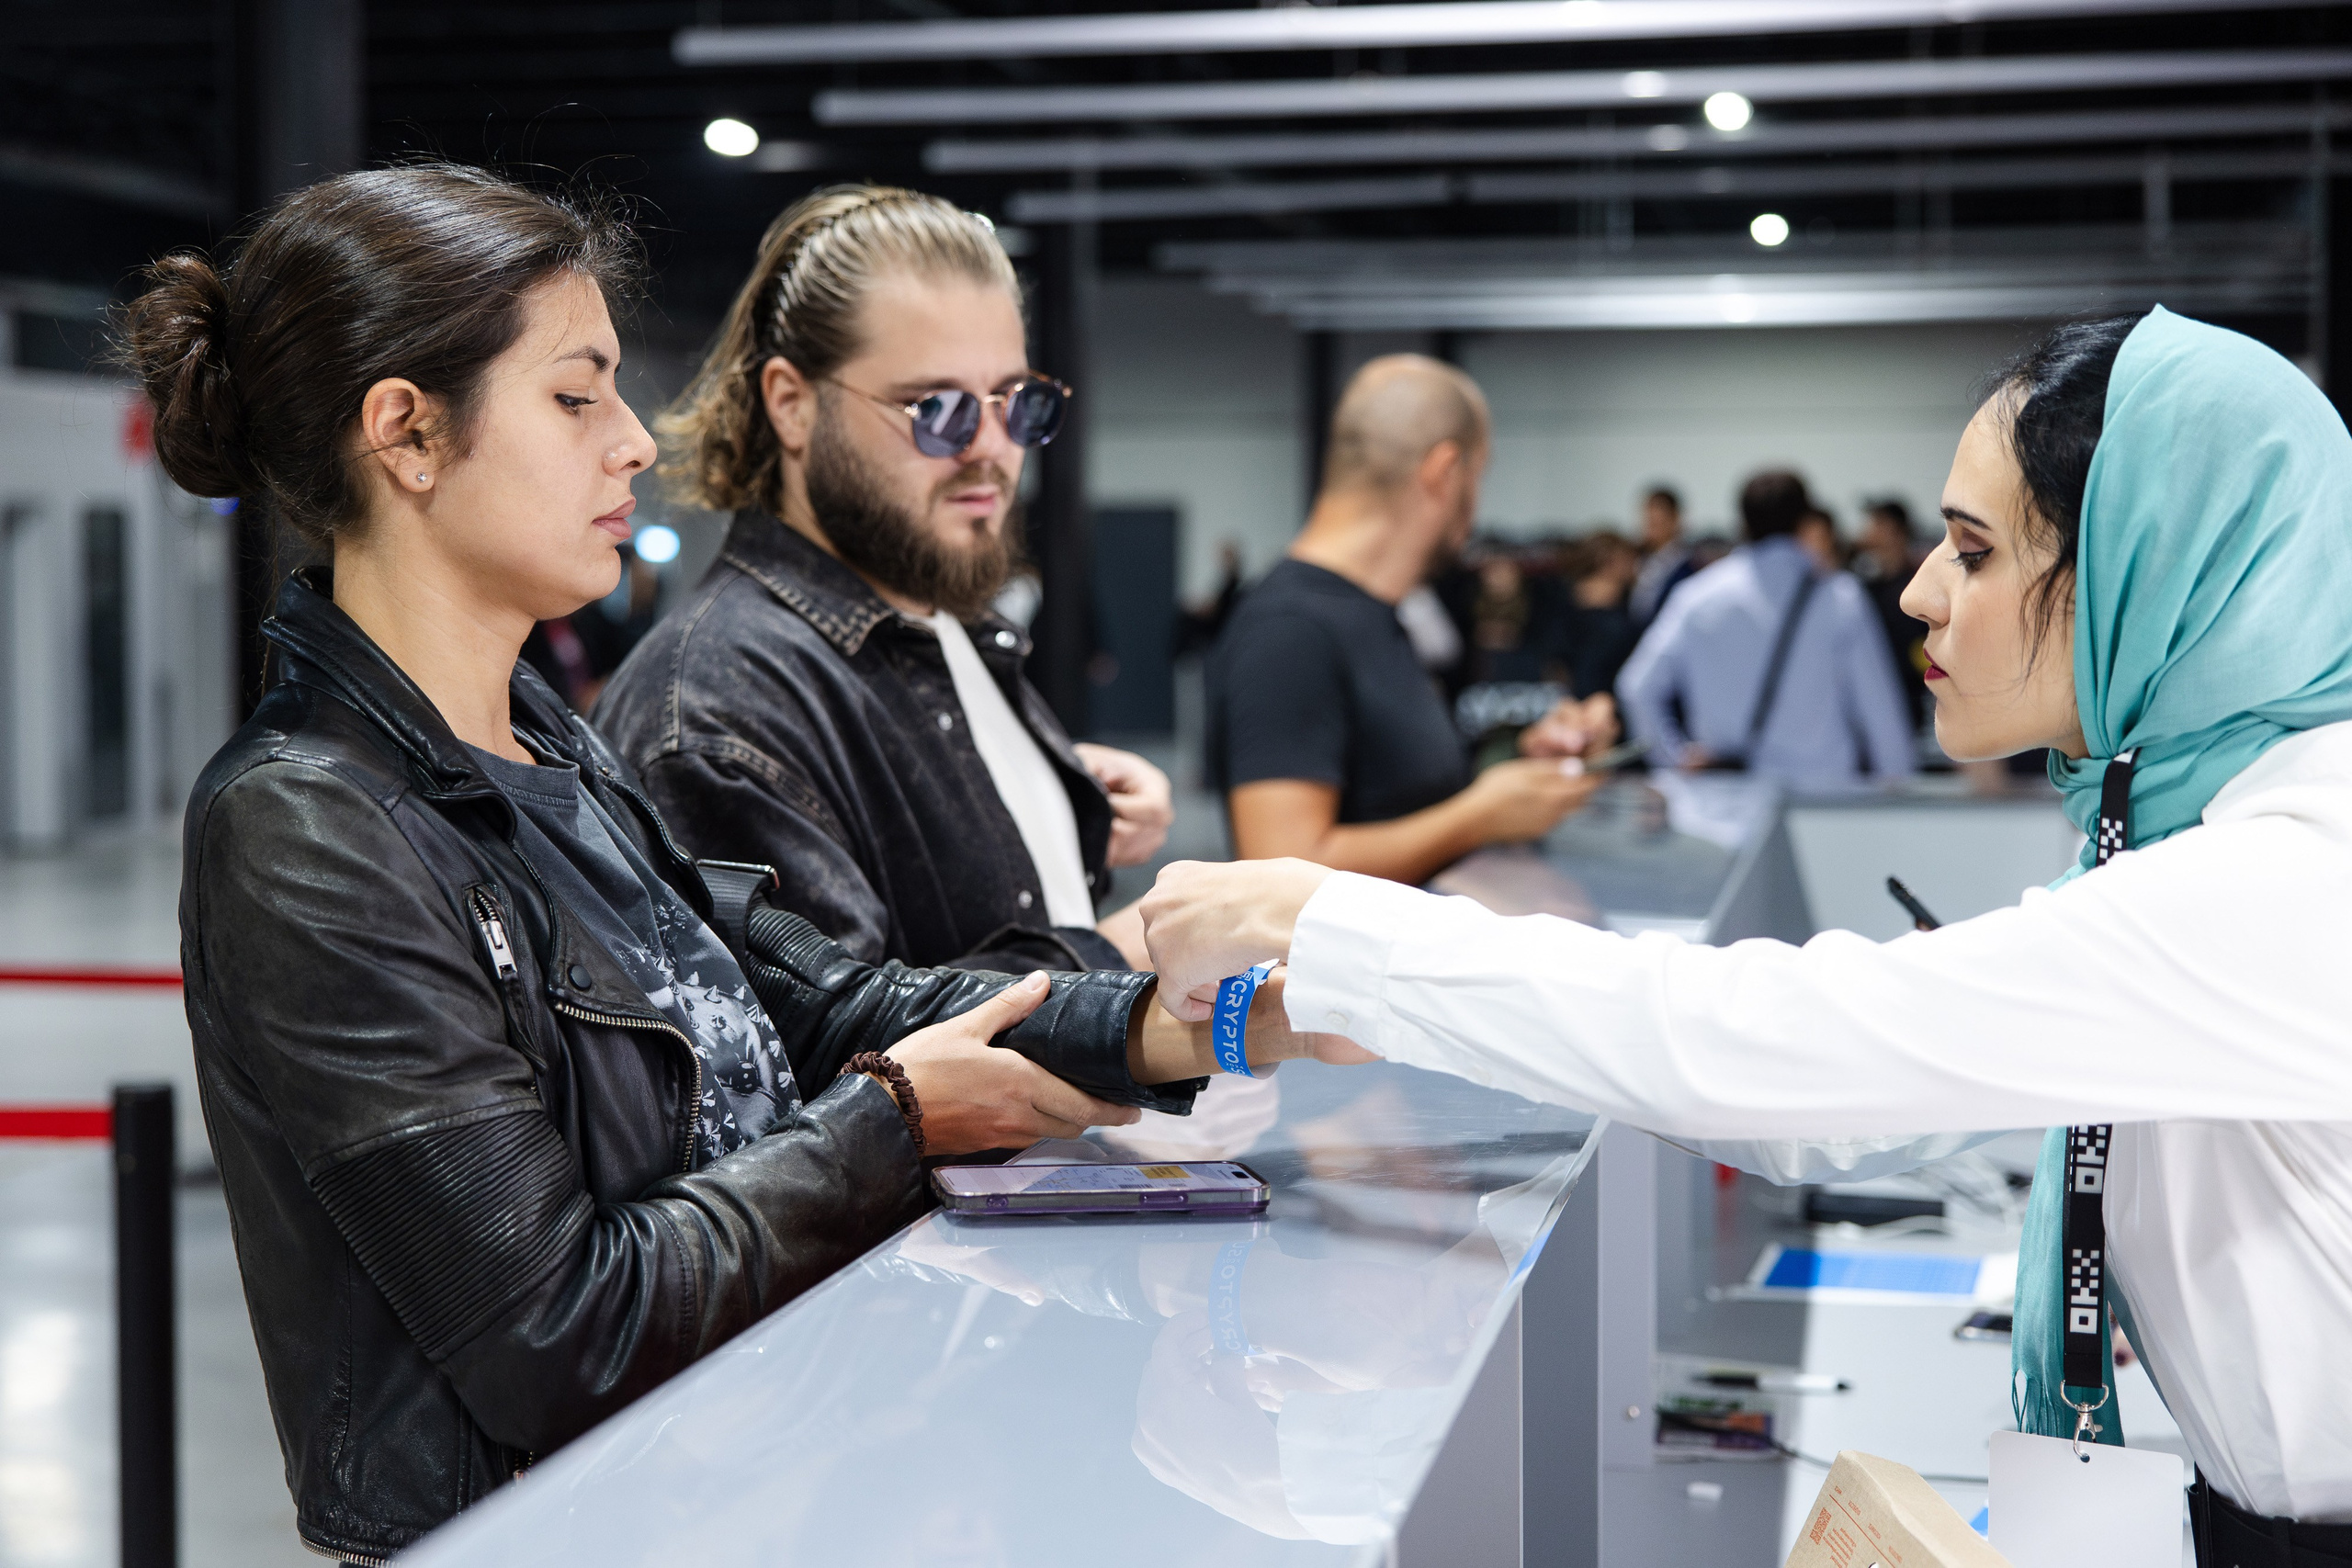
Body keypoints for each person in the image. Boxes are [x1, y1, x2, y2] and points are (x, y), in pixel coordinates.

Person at [131, 165, 1322, 1562]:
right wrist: (892, 1119)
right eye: (577, 397)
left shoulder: (548, 747)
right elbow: (558, 1329)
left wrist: (1197, 1020)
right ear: (406, 432)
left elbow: (820, 994)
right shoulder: (307, 828)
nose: (634, 443)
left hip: (734, 1492)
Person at [1144, 308, 2352, 1566]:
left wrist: (1331, 917)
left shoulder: (2290, 874)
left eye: (1975, 551)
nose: (1917, 591)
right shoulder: (2213, 830)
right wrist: (1358, 983)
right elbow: (1835, 1081)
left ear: (2144, 574)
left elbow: (1779, 1058)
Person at [597, 186, 1170, 975]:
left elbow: (978, 913)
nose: (991, 450)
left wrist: (1064, 796)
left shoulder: (939, 623)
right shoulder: (715, 710)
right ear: (792, 406)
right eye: (936, 409)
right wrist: (1137, 942)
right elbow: (846, 1069)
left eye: (1015, 403)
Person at [1204, 354, 1613, 886]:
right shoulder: (1290, 629)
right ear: (1444, 474)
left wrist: (1522, 759)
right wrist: (1479, 818)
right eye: (1478, 476)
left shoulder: (1377, 614)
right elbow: (1279, 864)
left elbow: (1402, 791)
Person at [1617, 468, 1915, 786]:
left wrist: (1673, 761)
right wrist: (1897, 790)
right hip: (1820, 798)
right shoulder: (1839, 598)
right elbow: (1881, 713)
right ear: (1804, 522)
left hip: (1725, 800)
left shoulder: (1697, 596)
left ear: (1742, 522)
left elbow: (1637, 687)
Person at [1856, 497, 1934, 730]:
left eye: (1875, 523)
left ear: (1894, 529)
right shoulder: (1866, 588)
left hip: (1913, 707)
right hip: (1875, 706)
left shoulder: (1921, 586)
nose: (1867, 531)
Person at [1627, 484, 1699, 626]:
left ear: (1675, 520)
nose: (1651, 529)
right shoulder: (1637, 561)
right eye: (1649, 522)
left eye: (1658, 523)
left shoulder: (1687, 565)